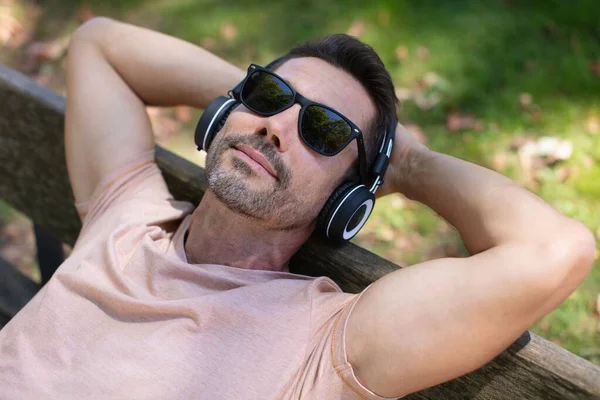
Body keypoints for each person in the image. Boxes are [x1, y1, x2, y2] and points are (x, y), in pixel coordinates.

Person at [0, 17, 595, 400]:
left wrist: (408, 164)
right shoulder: (126, 213)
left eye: (324, 130)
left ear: (348, 199)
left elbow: (556, 250)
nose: (277, 126)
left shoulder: (324, 344)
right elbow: (99, 42)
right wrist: (258, 102)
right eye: (270, 97)